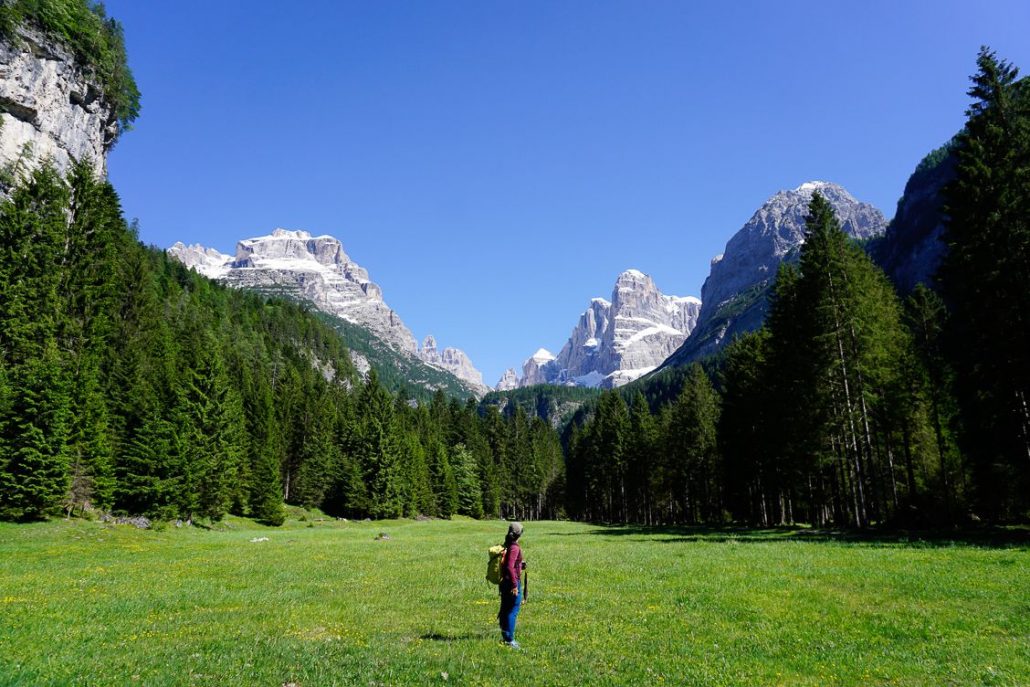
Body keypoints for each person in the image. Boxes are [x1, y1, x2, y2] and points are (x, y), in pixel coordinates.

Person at [498, 521, 525, 649]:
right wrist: (515, 585)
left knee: (505, 609)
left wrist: (520, 565)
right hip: (511, 582)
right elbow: (509, 566)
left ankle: (505, 635)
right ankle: (509, 640)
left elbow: (510, 563)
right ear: (519, 534)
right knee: (512, 610)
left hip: (504, 582)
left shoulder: (508, 544)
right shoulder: (515, 547)